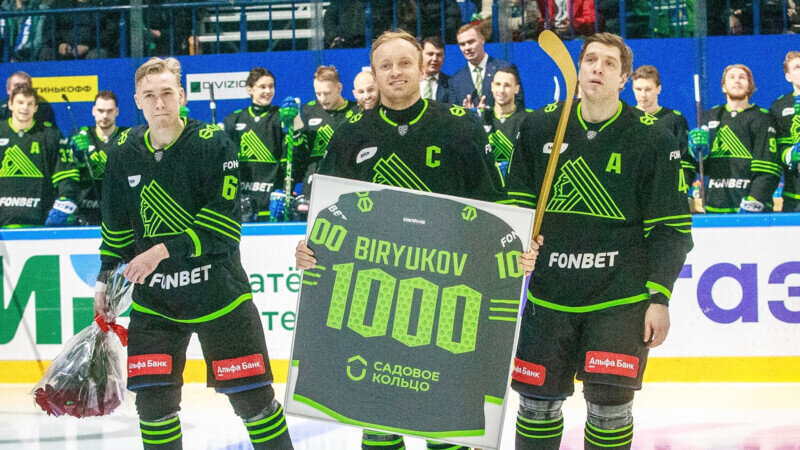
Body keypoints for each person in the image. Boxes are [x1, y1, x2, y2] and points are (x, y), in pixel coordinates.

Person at [295, 29, 541, 450]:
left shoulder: (460, 127)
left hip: (447, 302)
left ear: (423, 68)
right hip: (371, 305)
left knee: (443, 426)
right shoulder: (350, 134)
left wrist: (518, 249)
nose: (396, 72)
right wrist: (308, 250)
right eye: (385, 65)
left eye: (404, 63)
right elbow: (329, 216)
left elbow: (495, 210)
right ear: (373, 74)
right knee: (377, 423)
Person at [94, 57, 293, 449]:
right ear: (137, 101)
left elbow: (223, 229)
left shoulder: (213, 143)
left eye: (167, 93)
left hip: (220, 297)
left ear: (182, 96)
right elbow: (116, 226)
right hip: (156, 304)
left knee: (254, 403)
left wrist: (159, 252)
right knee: (153, 408)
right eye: (150, 95)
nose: (160, 103)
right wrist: (104, 279)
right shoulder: (122, 150)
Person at [506, 32, 693, 449]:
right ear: (579, 68)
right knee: (535, 406)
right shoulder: (540, 125)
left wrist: (660, 297)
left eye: (610, 63)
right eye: (591, 59)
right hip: (548, 298)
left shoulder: (652, 137)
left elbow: (671, 228)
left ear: (624, 78)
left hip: (619, 301)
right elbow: (515, 206)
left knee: (610, 411)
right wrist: (517, 245)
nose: (598, 68)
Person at [688, 64, 781, 213]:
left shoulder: (762, 118)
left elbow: (769, 168)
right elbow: (702, 168)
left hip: (752, 211)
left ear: (750, 86)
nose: (737, 80)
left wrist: (754, 201)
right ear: (723, 87)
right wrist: (698, 153)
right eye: (731, 77)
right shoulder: (710, 116)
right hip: (715, 209)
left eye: (742, 77)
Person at [223, 67, 301, 222]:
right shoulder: (233, 119)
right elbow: (226, 163)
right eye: (262, 87)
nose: (268, 91)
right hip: (243, 204)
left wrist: (284, 191)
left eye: (271, 86)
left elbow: (292, 159)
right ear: (250, 89)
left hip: (272, 202)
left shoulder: (281, 116)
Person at [0, 85, 79, 227]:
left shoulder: (51, 135)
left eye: (30, 103)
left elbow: (67, 176)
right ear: (10, 105)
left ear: (36, 108)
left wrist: (65, 201)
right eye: (20, 102)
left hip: (39, 226)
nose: (25, 108)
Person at [294, 65, 360, 198]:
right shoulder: (308, 110)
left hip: (346, 182)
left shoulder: (356, 110)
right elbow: (301, 154)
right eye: (318, 94)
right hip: (313, 183)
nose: (322, 99)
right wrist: (295, 131)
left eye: (327, 93)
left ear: (339, 88)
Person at [68, 90, 129, 225]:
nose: (105, 116)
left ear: (117, 112)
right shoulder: (80, 135)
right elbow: (71, 171)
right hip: (86, 211)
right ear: (93, 111)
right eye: (101, 111)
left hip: (117, 211)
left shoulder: (127, 136)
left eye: (109, 111)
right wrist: (78, 156)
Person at [631, 65, 694, 188]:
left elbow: (685, 162)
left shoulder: (674, 119)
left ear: (658, 89)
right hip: (633, 191)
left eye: (648, 89)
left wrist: (680, 190)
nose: (643, 95)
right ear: (633, 89)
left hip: (665, 191)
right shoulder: (626, 117)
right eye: (638, 89)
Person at [449, 22, 525, 108]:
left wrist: (491, 112)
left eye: (471, 42)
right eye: (462, 44)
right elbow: (453, 112)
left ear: (482, 40)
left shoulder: (505, 68)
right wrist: (467, 113)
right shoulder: (455, 80)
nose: (467, 48)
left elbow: (519, 103)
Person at [481, 65, 530, 178]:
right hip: (490, 184)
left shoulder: (528, 119)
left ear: (516, 89)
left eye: (507, 85)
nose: (501, 90)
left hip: (517, 183)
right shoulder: (481, 119)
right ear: (492, 86)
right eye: (498, 84)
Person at [770, 51, 800, 212]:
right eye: (797, 67)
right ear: (788, 77)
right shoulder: (778, 107)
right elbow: (774, 149)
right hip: (794, 197)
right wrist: (789, 155)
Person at [47, 0, 118, 59]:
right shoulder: (59, 4)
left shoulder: (104, 3)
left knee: (98, 55)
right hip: (64, 48)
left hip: (94, 48)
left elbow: (111, 32)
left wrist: (88, 46)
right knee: (46, 53)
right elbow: (49, 29)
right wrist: (59, 44)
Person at [419, 36, 455, 103]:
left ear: (443, 58)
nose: (435, 59)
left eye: (439, 55)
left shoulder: (451, 83)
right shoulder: (410, 81)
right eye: (430, 54)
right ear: (421, 55)